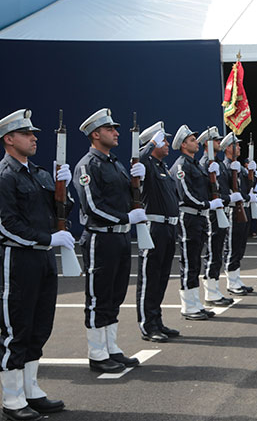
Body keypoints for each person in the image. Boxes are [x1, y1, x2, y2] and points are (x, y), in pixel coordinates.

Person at [0, 109, 71, 418]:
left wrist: (64, 189)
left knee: (40, 326)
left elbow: (59, 210)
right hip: (18, 259)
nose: (33, 138)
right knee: (16, 328)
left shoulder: (40, 173)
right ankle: (12, 398)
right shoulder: (5, 176)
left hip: (43, 259)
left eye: (35, 135)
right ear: (9, 139)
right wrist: (47, 239)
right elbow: (6, 225)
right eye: (27, 134)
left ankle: (31, 389)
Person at [74, 108, 145, 372]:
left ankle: (111, 347)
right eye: (110, 129)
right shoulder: (88, 165)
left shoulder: (115, 163)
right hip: (99, 238)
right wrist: (127, 217)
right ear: (95, 134)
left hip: (120, 239)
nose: (116, 133)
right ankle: (97, 353)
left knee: (115, 296)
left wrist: (139, 181)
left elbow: (128, 197)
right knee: (98, 298)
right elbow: (92, 207)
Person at [170, 124, 221, 321]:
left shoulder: (195, 165)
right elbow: (187, 194)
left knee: (195, 261)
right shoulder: (182, 165)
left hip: (199, 216)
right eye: (192, 140)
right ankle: (188, 305)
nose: (196, 143)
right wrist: (207, 203)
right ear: (183, 145)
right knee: (188, 261)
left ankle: (195, 302)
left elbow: (204, 189)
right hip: (189, 216)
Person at [136, 122, 181, 343]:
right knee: (150, 277)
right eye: (163, 140)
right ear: (152, 143)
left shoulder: (163, 167)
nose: (167, 144)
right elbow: (139, 158)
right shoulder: (147, 165)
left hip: (168, 227)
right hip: (153, 228)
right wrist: (151, 143)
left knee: (162, 277)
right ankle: (147, 325)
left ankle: (157, 320)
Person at [198, 128, 236, 307]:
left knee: (218, 251)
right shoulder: (205, 163)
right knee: (212, 251)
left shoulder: (218, 163)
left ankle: (215, 289)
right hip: (212, 212)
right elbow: (205, 190)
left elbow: (226, 186)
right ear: (207, 144)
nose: (219, 143)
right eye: (215, 140)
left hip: (221, 209)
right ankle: (210, 292)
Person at [221, 133, 255, 295]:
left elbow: (246, 187)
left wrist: (250, 173)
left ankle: (236, 278)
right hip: (233, 211)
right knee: (232, 246)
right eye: (237, 145)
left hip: (242, 209)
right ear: (228, 148)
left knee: (240, 246)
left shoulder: (238, 166)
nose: (240, 148)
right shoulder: (225, 166)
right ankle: (231, 281)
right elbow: (225, 188)